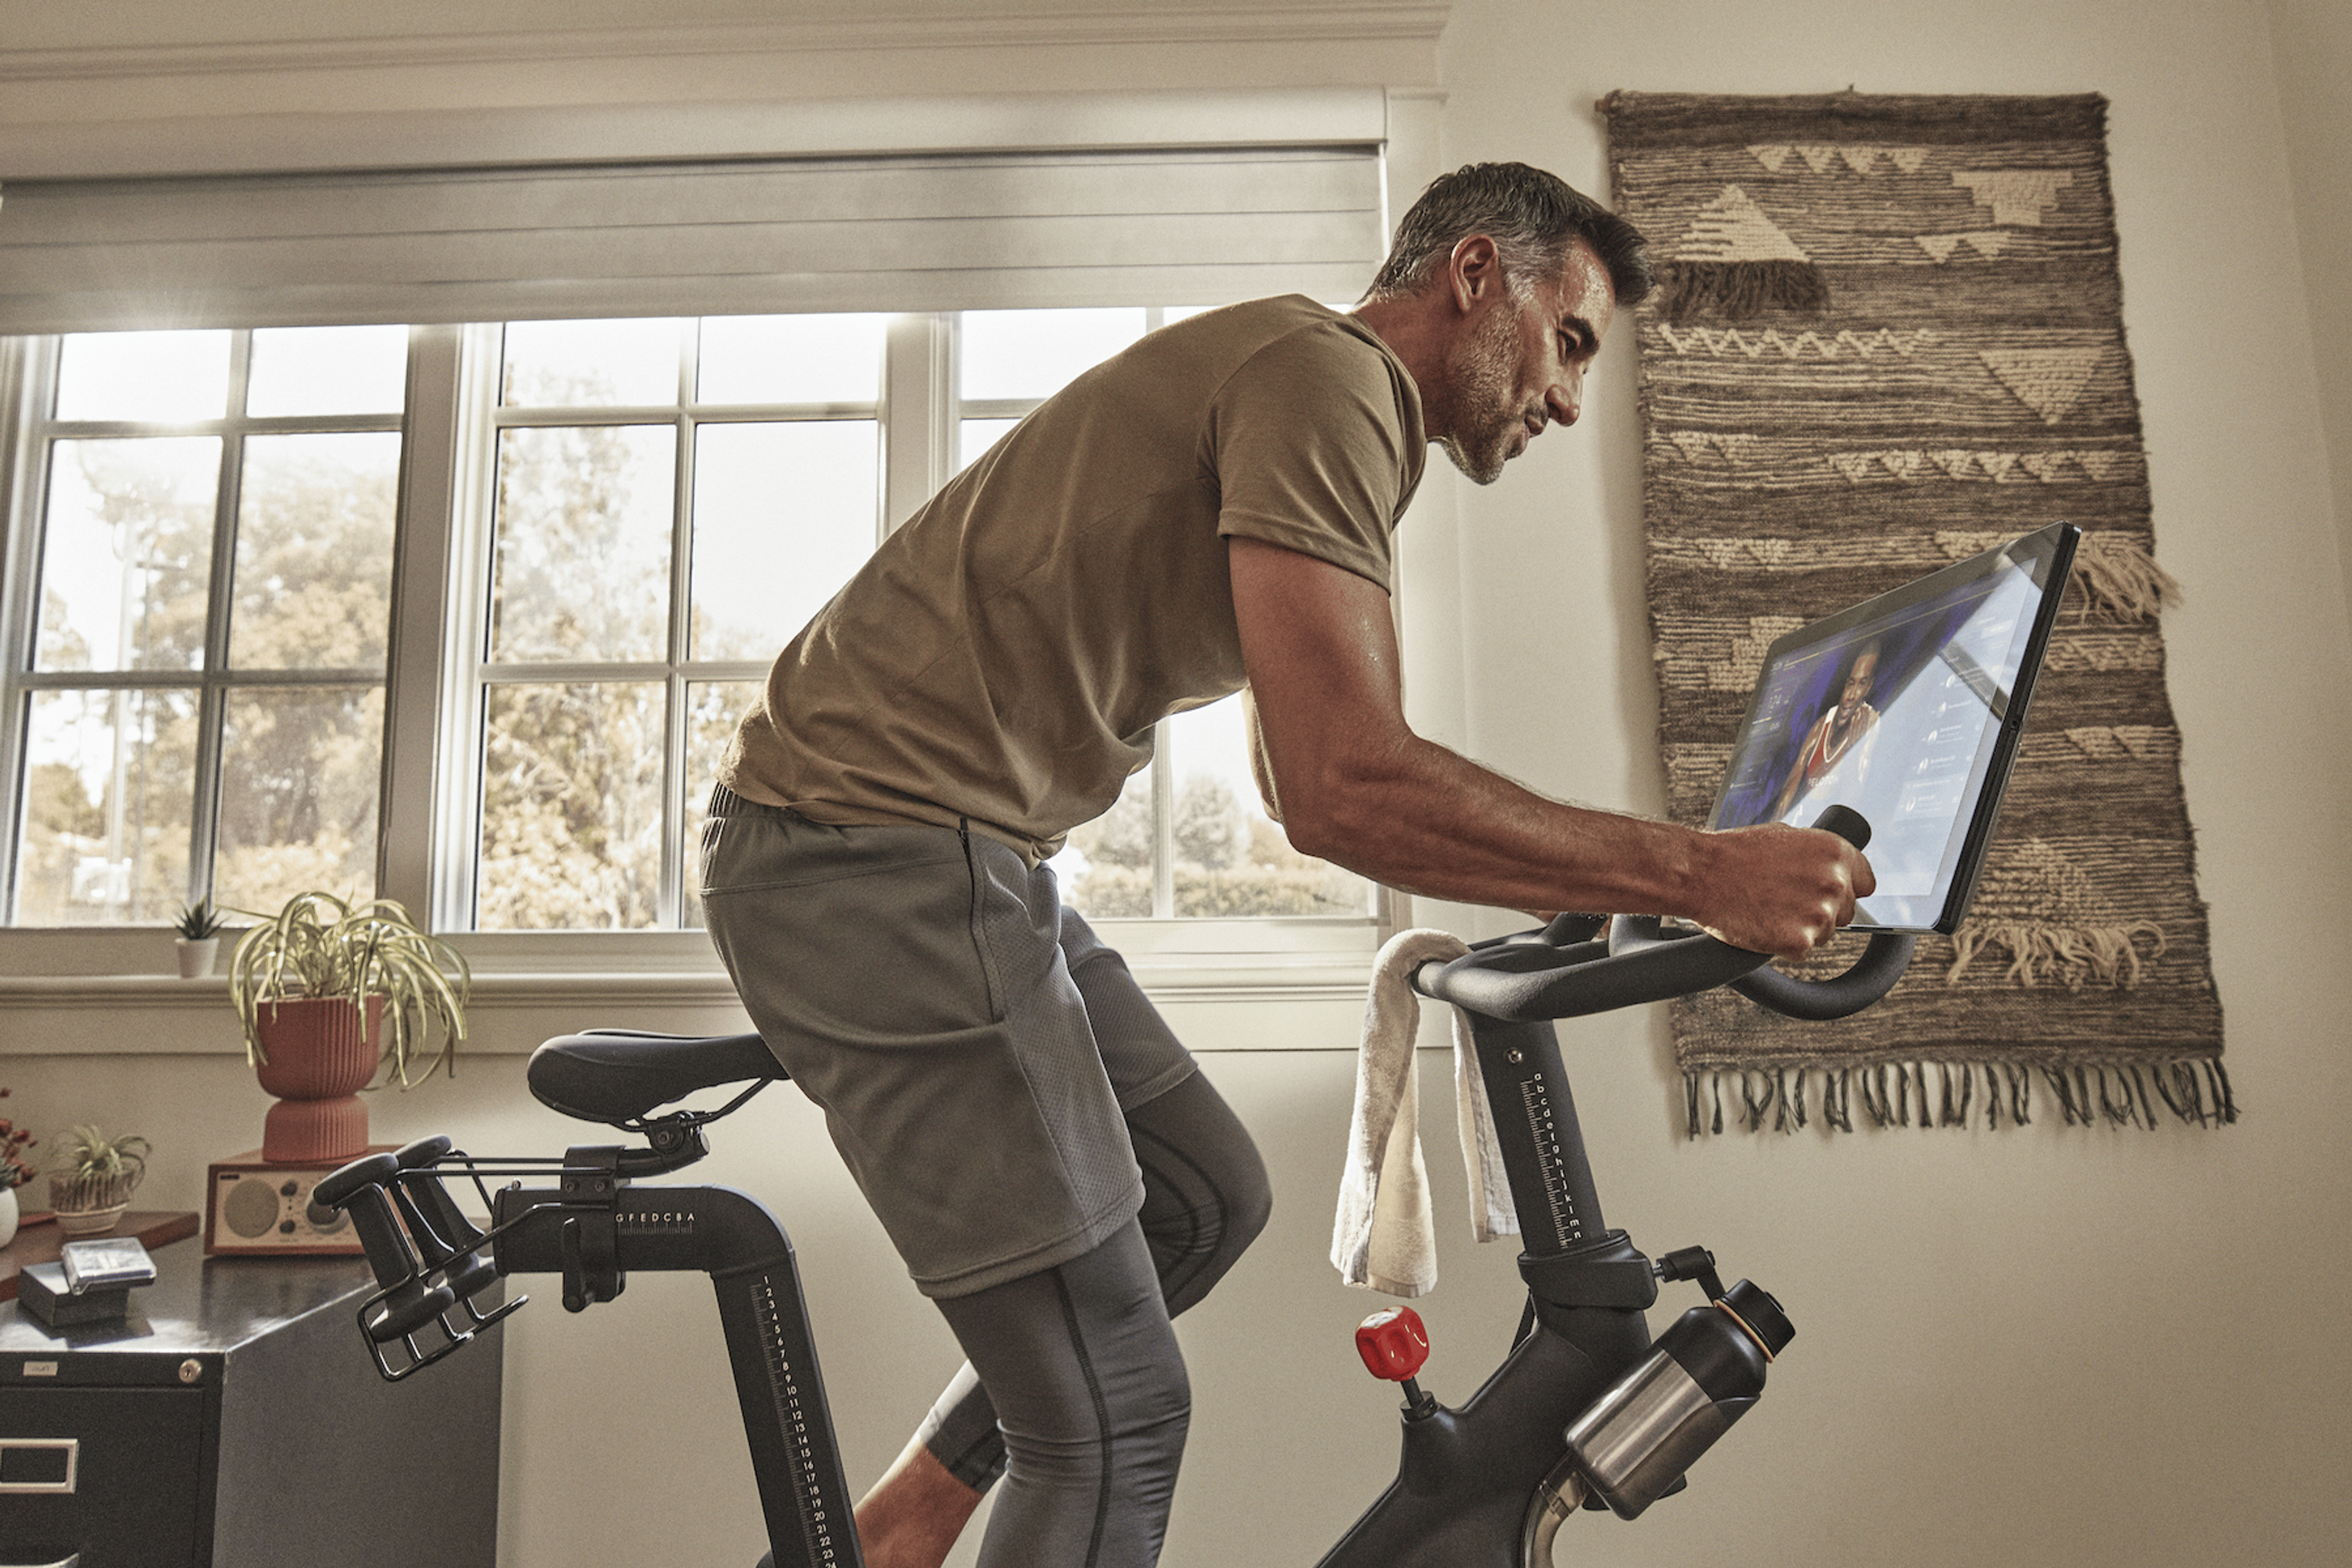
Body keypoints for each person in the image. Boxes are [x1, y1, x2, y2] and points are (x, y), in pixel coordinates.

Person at [699, 162, 1874, 1568]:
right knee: (1118, 1418)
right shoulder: (1326, 382)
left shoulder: (1307, 391)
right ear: (1475, 274)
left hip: (948, 847)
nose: (1565, 399)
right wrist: (1691, 869)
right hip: (871, 844)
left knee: (1200, 1193)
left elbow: (1297, 769)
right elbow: (1344, 786)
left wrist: (1571, 872)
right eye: (1569, 343)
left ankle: (898, 1528)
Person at [1770, 638, 1882, 819]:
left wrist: (1855, 750)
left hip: (1833, 833)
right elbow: (1791, 784)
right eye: (1851, 683)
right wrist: (1774, 832)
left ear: (1869, 687)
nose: (1852, 696)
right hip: (1806, 826)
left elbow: (1851, 804)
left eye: (1862, 684)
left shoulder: (1869, 723)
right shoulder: (1823, 724)